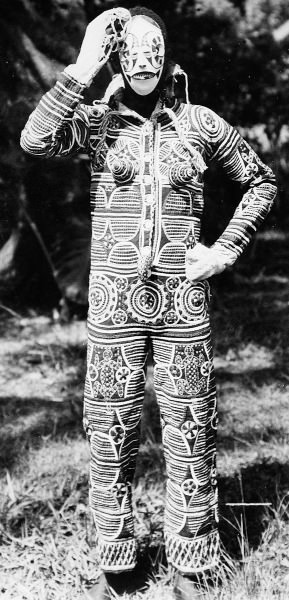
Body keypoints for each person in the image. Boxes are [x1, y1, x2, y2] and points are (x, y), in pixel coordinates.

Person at [20, 6, 277, 599]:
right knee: (110, 429)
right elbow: (36, 139)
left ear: (166, 55)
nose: (144, 59)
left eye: (153, 47)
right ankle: (118, 562)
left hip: (183, 300)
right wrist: (84, 66)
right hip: (114, 306)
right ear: (118, 55)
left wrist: (223, 251)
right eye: (131, 49)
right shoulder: (98, 124)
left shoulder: (200, 124)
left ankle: (193, 559)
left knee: (192, 428)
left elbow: (260, 180)